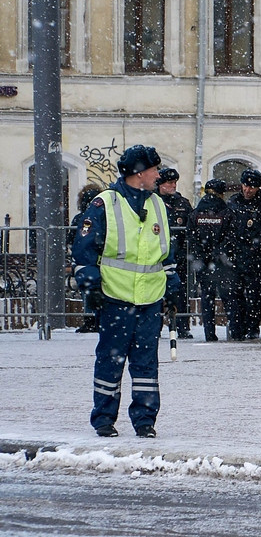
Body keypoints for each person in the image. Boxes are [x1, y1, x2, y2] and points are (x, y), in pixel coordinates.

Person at [72, 144, 180, 438]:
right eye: (155, 170)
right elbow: (84, 250)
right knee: (111, 359)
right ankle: (104, 419)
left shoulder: (157, 205)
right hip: (115, 298)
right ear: (139, 173)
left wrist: (172, 285)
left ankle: (145, 420)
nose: (158, 175)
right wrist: (90, 286)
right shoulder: (104, 204)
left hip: (149, 300)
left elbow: (166, 253)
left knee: (146, 363)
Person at [226, 168, 261, 341]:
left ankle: (252, 329)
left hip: (254, 258)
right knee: (235, 295)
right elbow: (227, 228)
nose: (247, 190)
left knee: (253, 296)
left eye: (252, 187)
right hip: (236, 257)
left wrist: (253, 247)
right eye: (245, 186)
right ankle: (236, 330)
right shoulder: (234, 202)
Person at [188, 179, 234, 342]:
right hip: (221, 262)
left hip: (202, 262)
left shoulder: (196, 212)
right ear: (222, 194)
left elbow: (191, 238)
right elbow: (230, 237)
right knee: (227, 297)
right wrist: (218, 253)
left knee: (206, 298)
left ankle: (209, 333)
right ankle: (234, 332)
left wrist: (201, 255)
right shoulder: (226, 212)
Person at [156, 167, 194, 339]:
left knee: (181, 293)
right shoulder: (154, 202)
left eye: (174, 183)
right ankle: (155, 326)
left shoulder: (182, 203)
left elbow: (190, 227)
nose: (173, 186)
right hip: (158, 256)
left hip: (179, 255)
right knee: (156, 293)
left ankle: (182, 326)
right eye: (169, 183)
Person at [68, 183, 103, 334]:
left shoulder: (80, 218)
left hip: (86, 259)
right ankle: (97, 320)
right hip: (102, 258)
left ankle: (90, 320)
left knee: (88, 289)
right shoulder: (103, 215)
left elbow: (72, 239)